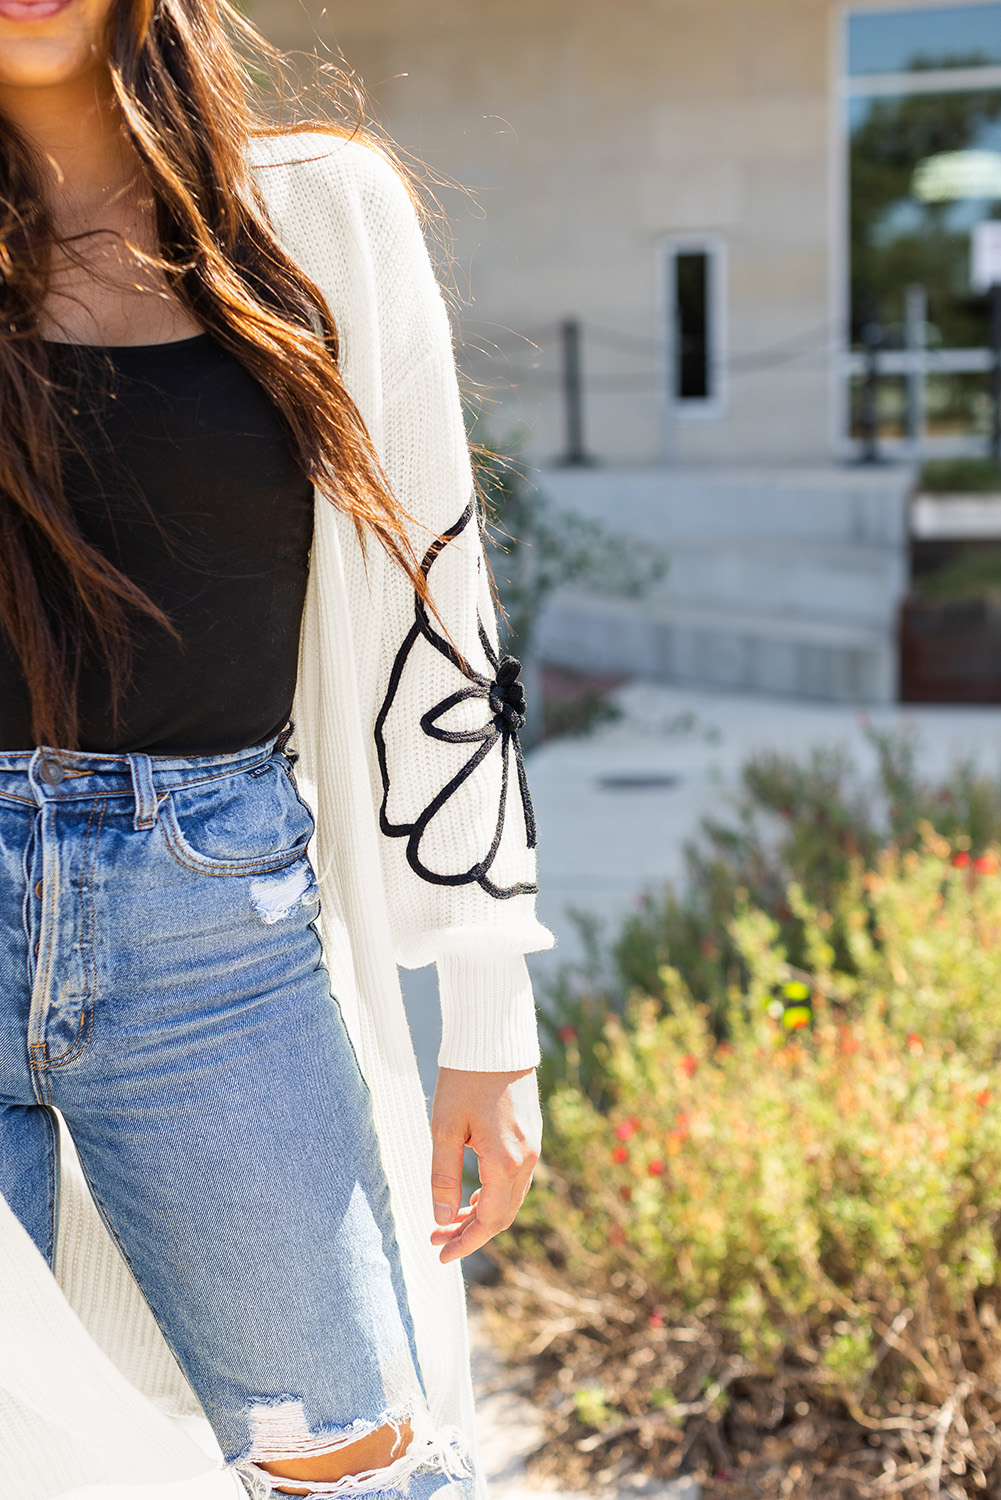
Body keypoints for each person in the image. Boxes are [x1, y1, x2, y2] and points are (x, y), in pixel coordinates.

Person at [0, 0, 553, 1497]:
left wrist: (486, 1010)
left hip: (209, 940)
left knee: (355, 1468)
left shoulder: (320, 214)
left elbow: (441, 611)